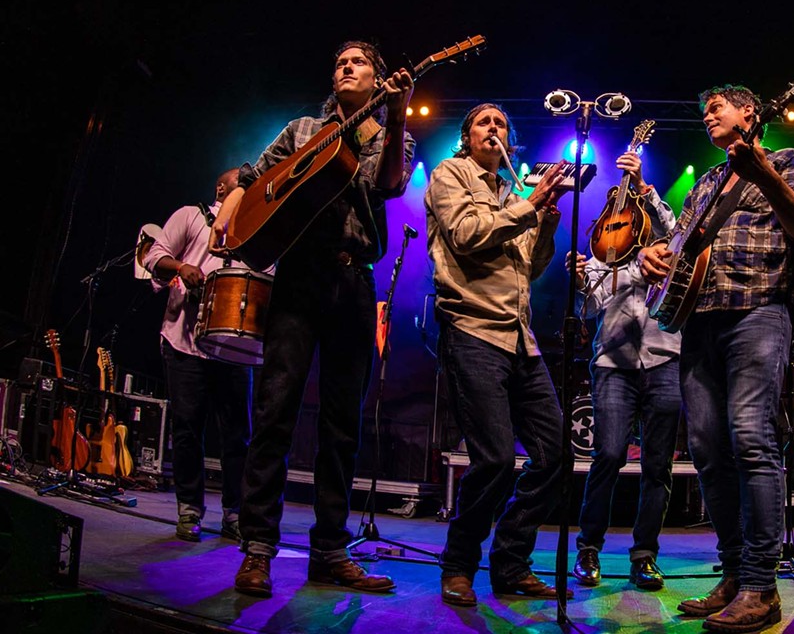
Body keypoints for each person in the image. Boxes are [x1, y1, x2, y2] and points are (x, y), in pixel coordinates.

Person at [210, 40, 415, 598]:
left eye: (358, 63)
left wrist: (396, 118)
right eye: (339, 63)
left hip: (353, 283)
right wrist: (230, 212)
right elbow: (253, 176)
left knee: (341, 425)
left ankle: (328, 551)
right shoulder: (304, 129)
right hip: (299, 277)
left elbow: (390, 185)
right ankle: (257, 549)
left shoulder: (388, 133)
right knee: (275, 410)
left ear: (378, 78)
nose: (345, 68)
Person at [639, 84, 794, 633]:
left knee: (751, 438)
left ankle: (761, 586)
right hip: (700, 321)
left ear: (751, 112)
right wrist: (656, 256)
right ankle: (736, 572)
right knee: (707, 450)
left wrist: (762, 170)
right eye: (702, 112)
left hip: (758, 313)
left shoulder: (789, 161)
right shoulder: (709, 181)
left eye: (716, 107)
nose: (707, 116)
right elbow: (683, 251)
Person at [423, 102, 573, 606]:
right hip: (472, 330)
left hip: (519, 337)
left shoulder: (513, 191)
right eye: (483, 122)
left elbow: (529, 269)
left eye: (501, 124)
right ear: (466, 137)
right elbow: (466, 236)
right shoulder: (451, 174)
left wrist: (545, 220)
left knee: (556, 455)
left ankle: (509, 563)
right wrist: (530, 205)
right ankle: (459, 564)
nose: (493, 128)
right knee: (495, 460)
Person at [566, 149, 682, 592]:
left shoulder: (662, 244)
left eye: (630, 203)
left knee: (658, 465)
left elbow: (680, 232)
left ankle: (644, 556)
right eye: (616, 203)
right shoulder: (602, 253)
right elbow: (592, 307)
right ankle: (589, 548)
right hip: (613, 364)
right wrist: (581, 283)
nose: (622, 208)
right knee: (609, 455)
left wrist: (648, 189)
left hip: (665, 358)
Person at [143, 169, 267, 543]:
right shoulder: (192, 216)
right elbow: (154, 255)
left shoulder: (256, 230)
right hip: (185, 342)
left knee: (238, 437)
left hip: (234, 348)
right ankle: (189, 509)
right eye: (240, 183)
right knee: (186, 429)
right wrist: (183, 267)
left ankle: (234, 513)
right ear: (221, 188)